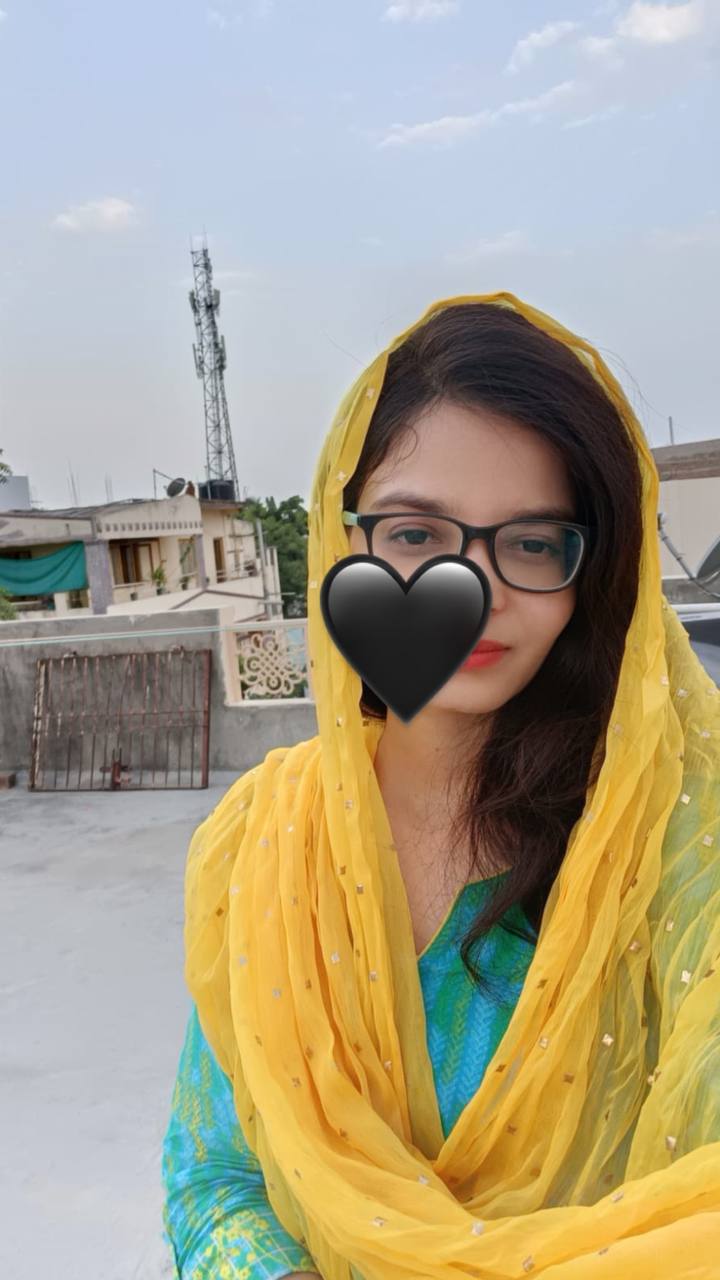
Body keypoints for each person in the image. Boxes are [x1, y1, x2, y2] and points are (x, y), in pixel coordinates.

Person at [161, 292, 720, 1279]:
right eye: (417, 533)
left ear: (593, 570)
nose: (476, 585)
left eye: (534, 540)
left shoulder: (671, 846)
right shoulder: (264, 837)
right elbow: (213, 1175)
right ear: (344, 541)